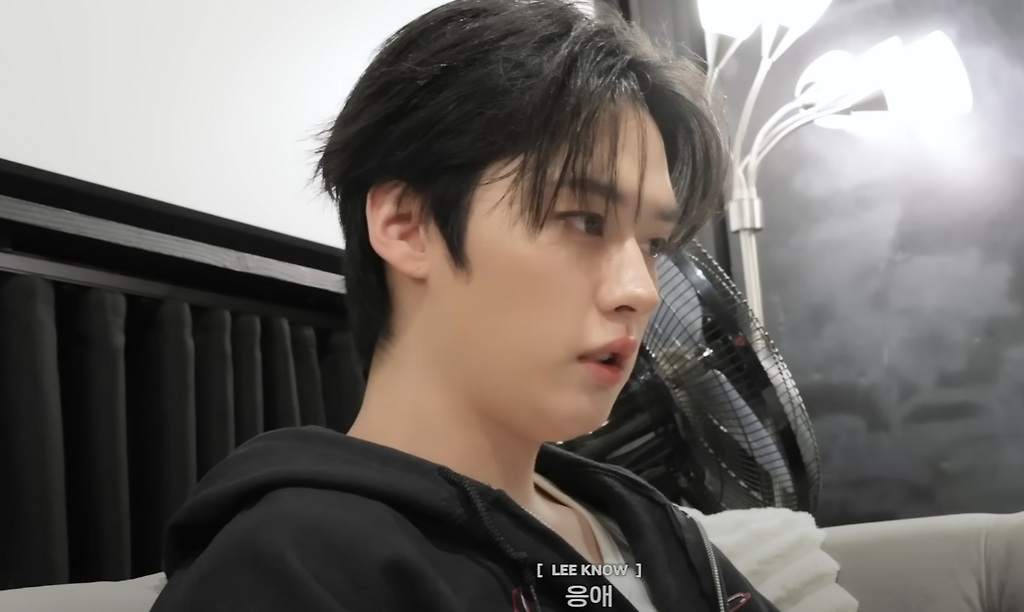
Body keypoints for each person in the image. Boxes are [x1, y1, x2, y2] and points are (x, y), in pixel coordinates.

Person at [150, 1, 779, 611]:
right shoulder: (291, 565)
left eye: (651, 244)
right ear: (406, 225)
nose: (641, 290)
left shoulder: (651, 527)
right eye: (584, 220)